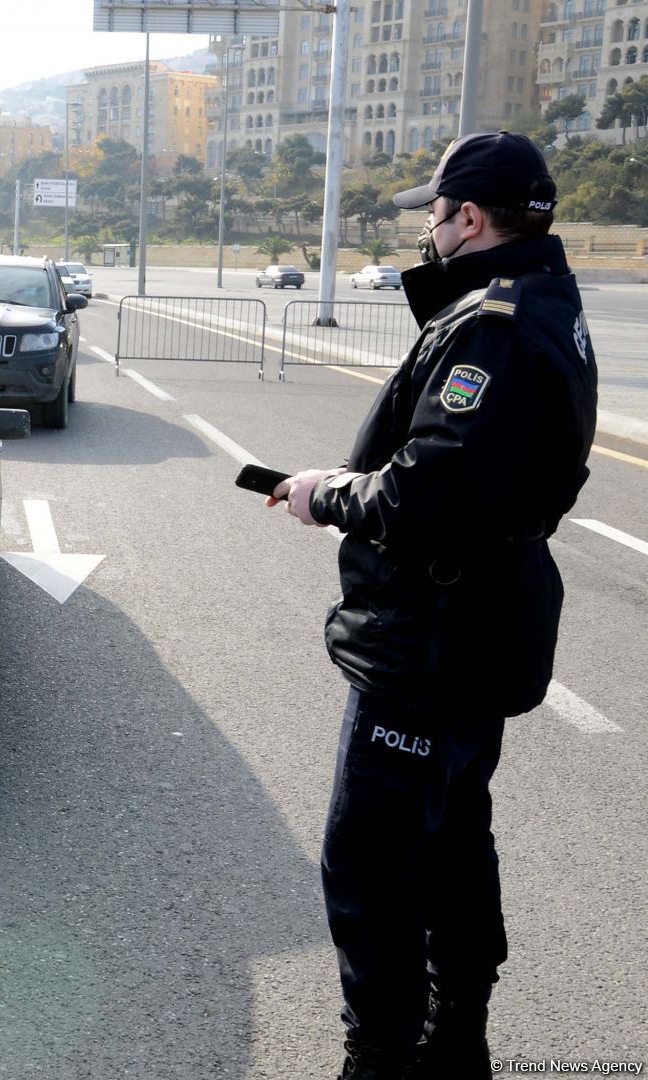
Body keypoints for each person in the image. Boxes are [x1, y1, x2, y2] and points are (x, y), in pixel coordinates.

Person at [265, 132, 597, 1079]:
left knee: (370, 861)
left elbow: (428, 492)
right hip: (481, 621)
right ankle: (456, 1034)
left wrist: (328, 495)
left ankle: (382, 1055)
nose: (427, 232)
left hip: (434, 637)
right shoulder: (546, 300)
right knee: (451, 837)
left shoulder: (492, 324)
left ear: (470, 218)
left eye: (435, 214)